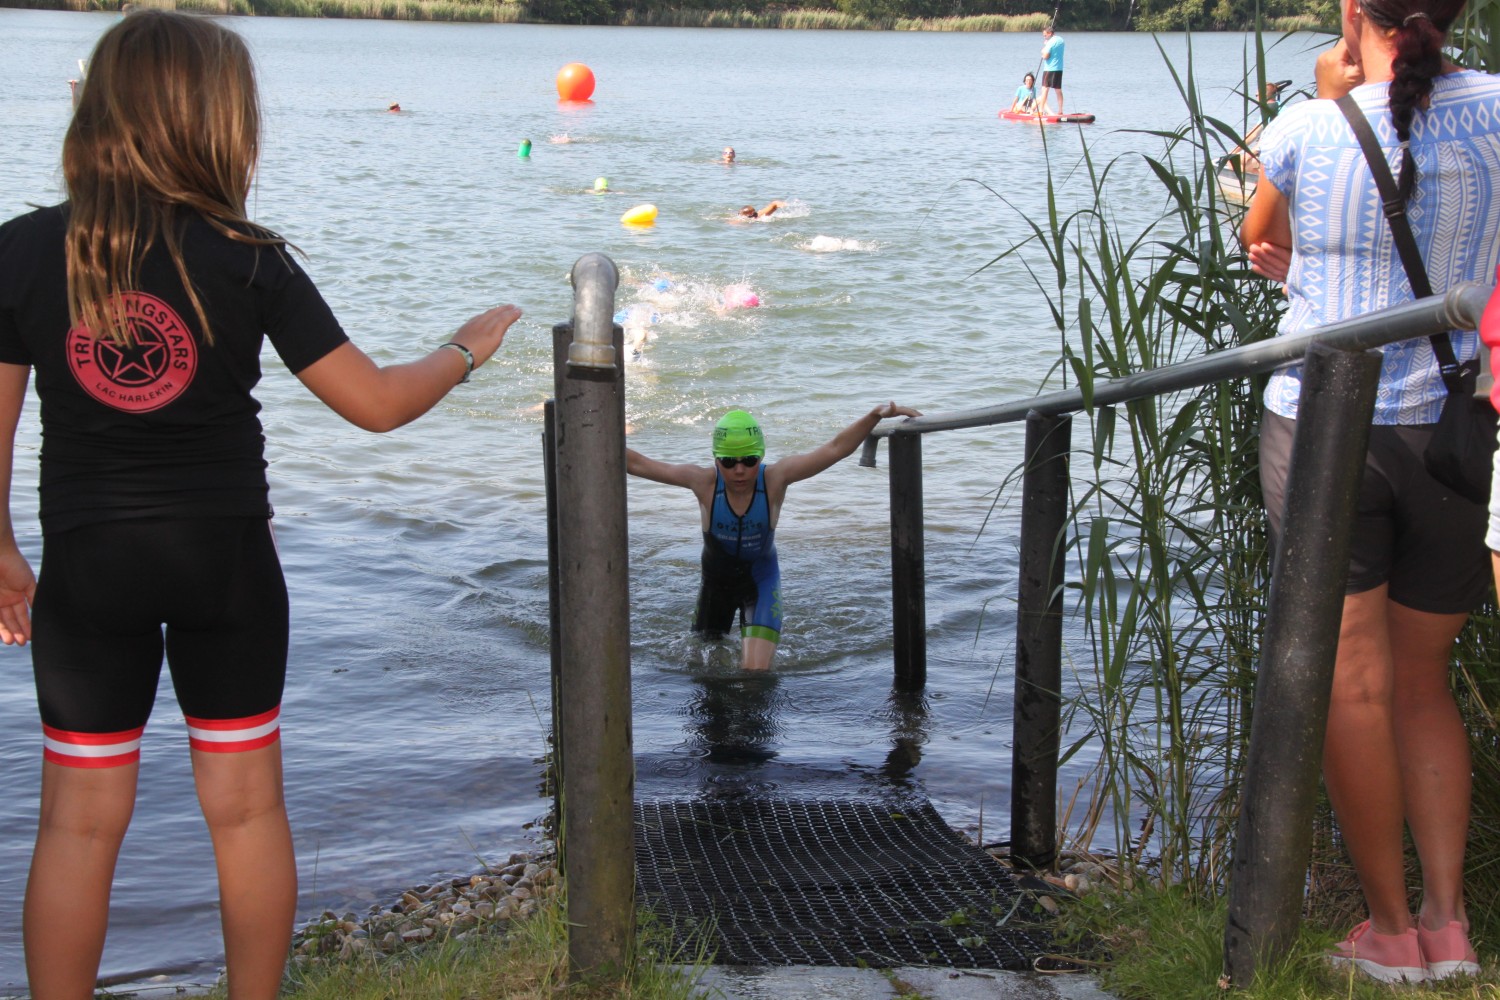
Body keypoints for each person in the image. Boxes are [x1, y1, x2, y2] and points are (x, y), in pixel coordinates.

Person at [0, 11, 521, 998]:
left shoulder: (23, 250)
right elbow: (374, 403)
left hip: (90, 564)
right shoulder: (248, 255)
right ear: (216, 124)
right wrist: (462, 351)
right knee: (244, 811)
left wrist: (0, 550)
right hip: (225, 563)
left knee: (76, 823)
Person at [1241, 0, 1500, 983]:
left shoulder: (1308, 127)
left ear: (1356, 12)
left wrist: (1330, 87)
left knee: (1353, 684)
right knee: (1424, 680)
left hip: (1326, 427)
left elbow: (1259, 238)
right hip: (1454, 427)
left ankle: (1391, 933)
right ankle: (1450, 925)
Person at [625, 404, 920, 671]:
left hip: (760, 584)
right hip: (715, 588)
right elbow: (637, 464)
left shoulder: (775, 479)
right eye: (728, 462)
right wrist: (595, 426)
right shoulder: (703, 483)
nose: (739, 470)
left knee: (754, 676)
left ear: (761, 456)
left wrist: (875, 415)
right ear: (715, 460)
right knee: (700, 672)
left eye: (749, 460)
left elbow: (835, 449)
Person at [1038, 27, 1065, 115]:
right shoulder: (1061, 40)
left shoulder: (1050, 42)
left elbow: (1046, 56)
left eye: (1045, 35)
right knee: (1058, 89)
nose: (1044, 37)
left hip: (1049, 69)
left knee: (1044, 89)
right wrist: (1047, 44)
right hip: (1059, 68)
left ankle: (1040, 110)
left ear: (1050, 33)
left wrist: (1043, 51)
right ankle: (1060, 110)